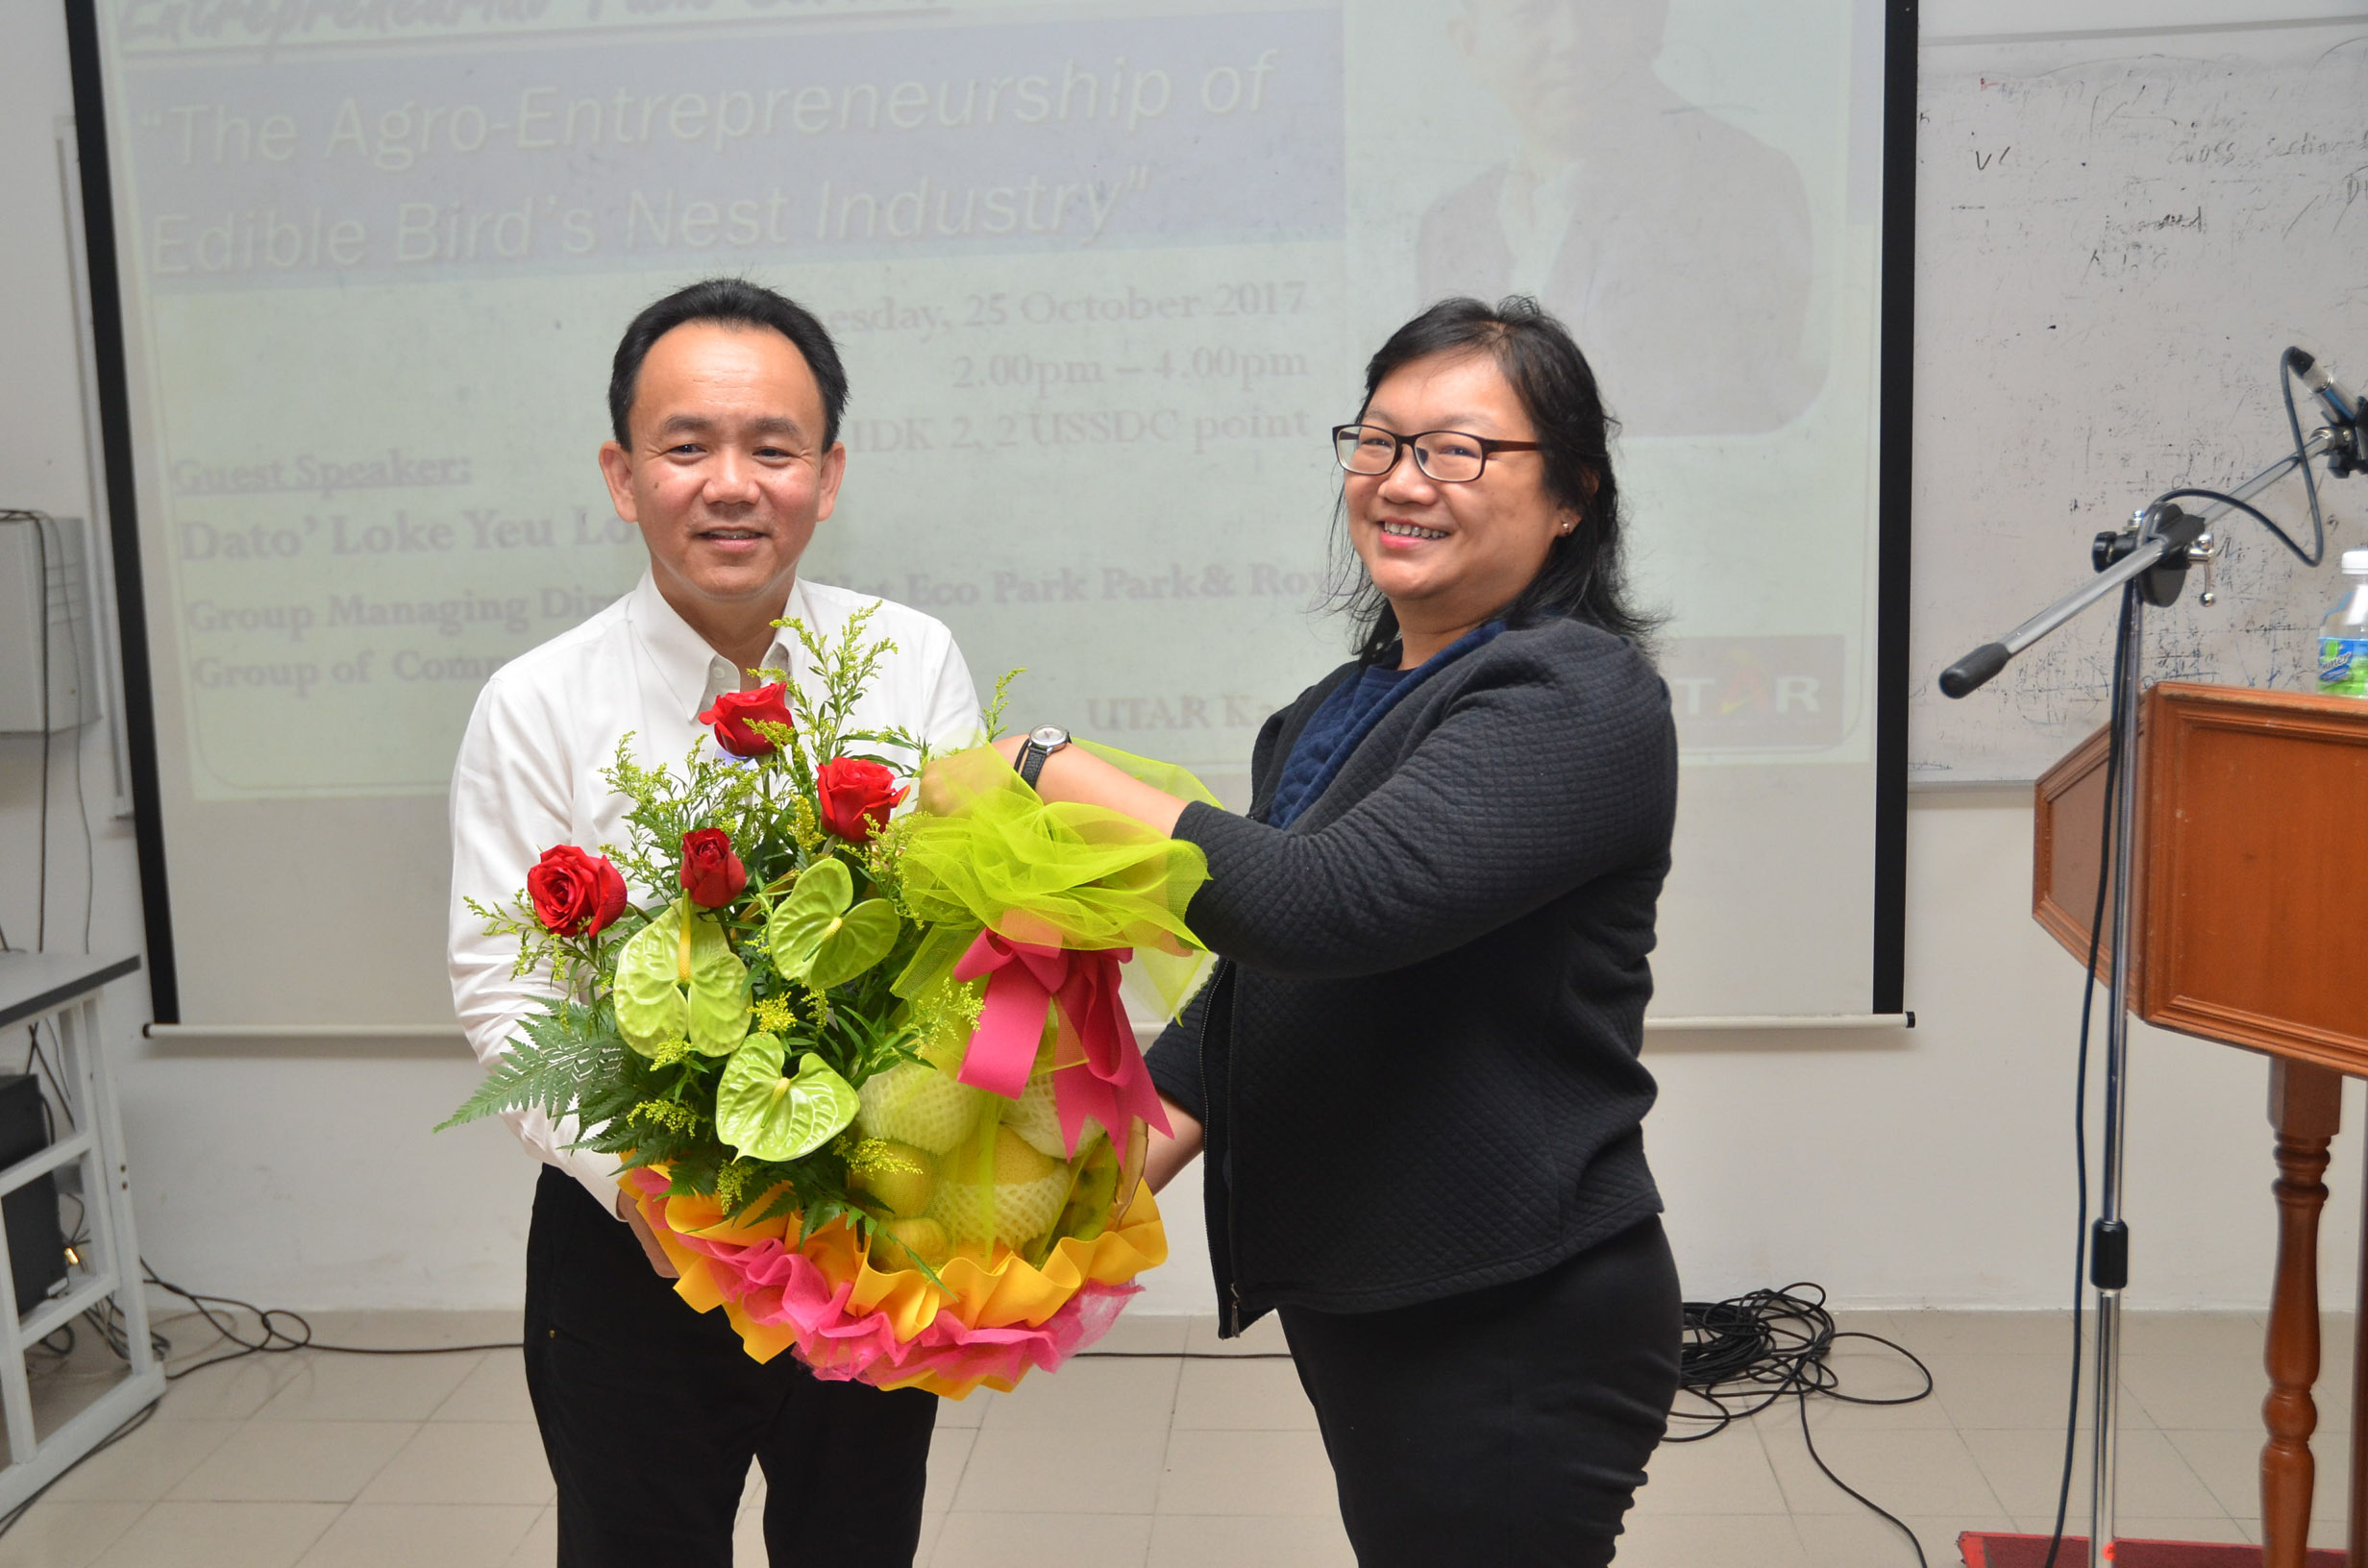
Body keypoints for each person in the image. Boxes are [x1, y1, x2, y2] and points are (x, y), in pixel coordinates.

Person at [1001, 297, 1681, 1566]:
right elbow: (1258, 990)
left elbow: (1324, 909)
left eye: (1461, 450)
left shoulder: (1575, 696)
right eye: (1379, 442)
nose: (1403, 481)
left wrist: (1043, 764)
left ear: (1574, 493)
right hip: (1375, 1291)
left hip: (1507, 1308)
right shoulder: (1342, 706)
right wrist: (1073, 1196)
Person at [447, 278, 980, 1568]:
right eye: (687, 447)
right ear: (624, 476)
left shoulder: (910, 662)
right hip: (632, 1242)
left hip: (860, 1229)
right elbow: (505, 988)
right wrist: (634, 1184)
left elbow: (964, 943)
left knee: (856, 1542)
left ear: (829, 473)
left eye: (772, 447)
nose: (732, 483)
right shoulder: (536, 703)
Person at [1416, 0, 1820, 436]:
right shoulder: (1451, 226)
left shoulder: (1744, 189)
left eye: (1603, 9)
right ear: (1470, 45)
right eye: (1532, 12)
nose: (1572, 41)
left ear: (1652, 24)